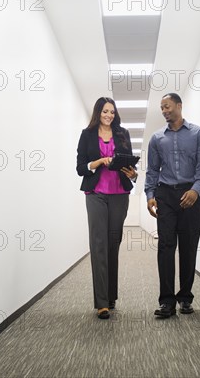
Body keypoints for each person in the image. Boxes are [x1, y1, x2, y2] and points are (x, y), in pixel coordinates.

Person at [145, 93, 200, 317]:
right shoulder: (156, 138)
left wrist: (196, 189)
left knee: (189, 246)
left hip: (190, 195)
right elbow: (152, 170)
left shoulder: (198, 134)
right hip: (165, 195)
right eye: (161, 108)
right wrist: (150, 194)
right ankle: (167, 302)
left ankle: (185, 297)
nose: (164, 111)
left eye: (167, 106)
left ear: (179, 106)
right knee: (165, 247)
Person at [76, 97, 137, 319]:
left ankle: (111, 296)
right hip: (96, 194)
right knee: (98, 243)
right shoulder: (87, 135)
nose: (109, 115)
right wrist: (100, 162)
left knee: (113, 243)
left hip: (119, 194)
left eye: (112, 111)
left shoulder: (123, 134)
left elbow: (129, 163)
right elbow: (81, 167)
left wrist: (133, 173)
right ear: (98, 113)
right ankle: (101, 302)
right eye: (105, 111)